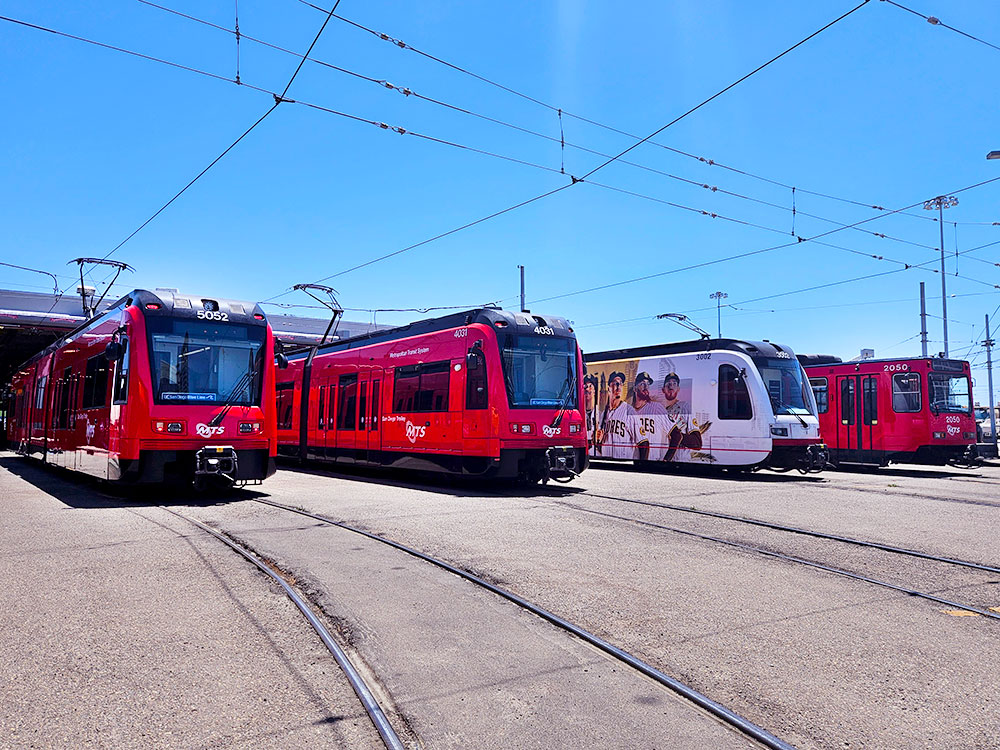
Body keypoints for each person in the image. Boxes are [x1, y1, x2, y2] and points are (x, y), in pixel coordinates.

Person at [596, 371, 647, 460]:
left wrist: (643, 466)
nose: (619, 386)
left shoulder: (629, 410)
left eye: (621, 384)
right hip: (607, 462)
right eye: (615, 383)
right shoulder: (604, 413)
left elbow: (644, 442)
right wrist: (598, 441)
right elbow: (600, 446)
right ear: (609, 388)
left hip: (624, 463)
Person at [584, 374, 600, 454]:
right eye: (585, 386)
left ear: (594, 391)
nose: (587, 389)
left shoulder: (600, 413)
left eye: (590, 386)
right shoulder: (579, 413)